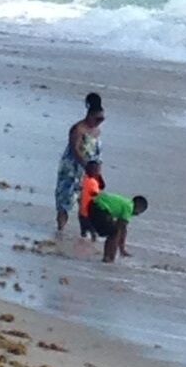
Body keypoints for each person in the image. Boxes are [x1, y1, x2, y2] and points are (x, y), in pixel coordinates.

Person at [55, 100, 105, 234]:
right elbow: (75, 149)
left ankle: (85, 233)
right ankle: (60, 229)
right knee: (65, 202)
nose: (100, 122)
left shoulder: (97, 131)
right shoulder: (78, 129)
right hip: (72, 170)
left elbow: (97, 155)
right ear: (90, 115)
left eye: (102, 119)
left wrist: (98, 174)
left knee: (86, 203)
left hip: (89, 172)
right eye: (98, 119)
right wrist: (86, 165)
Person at [86, 189, 148, 264]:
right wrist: (122, 249)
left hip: (93, 205)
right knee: (114, 233)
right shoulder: (129, 207)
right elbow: (122, 229)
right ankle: (109, 259)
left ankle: (107, 257)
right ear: (139, 208)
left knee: (113, 231)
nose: (138, 214)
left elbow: (121, 227)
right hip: (99, 208)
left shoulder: (126, 203)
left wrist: (121, 248)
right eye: (140, 212)